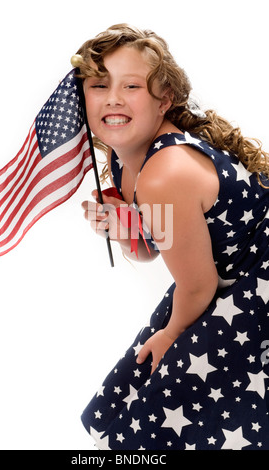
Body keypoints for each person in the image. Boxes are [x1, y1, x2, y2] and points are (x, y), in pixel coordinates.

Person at [77, 24, 269, 450]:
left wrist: (169, 334)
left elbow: (198, 285)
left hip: (249, 283)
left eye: (131, 86)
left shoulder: (164, 173)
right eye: (98, 84)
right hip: (225, 278)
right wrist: (125, 226)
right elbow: (151, 248)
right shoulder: (128, 160)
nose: (112, 97)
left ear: (164, 100)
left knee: (183, 404)